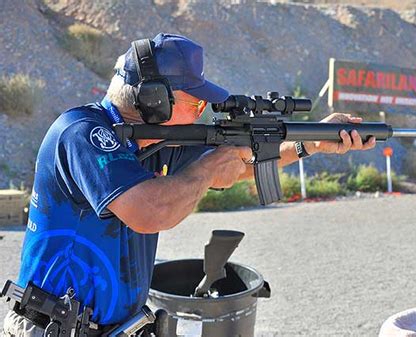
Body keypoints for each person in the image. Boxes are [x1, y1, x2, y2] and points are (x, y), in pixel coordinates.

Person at [2, 33, 375, 336]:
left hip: (113, 328)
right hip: (51, 327)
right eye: (194, 104)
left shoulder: (151, 145)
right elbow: (150, 211)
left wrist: (310, 143)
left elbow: (239, 165)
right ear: (155, 100)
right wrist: (212, 167)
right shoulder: (83, 133)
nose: (202, 111)